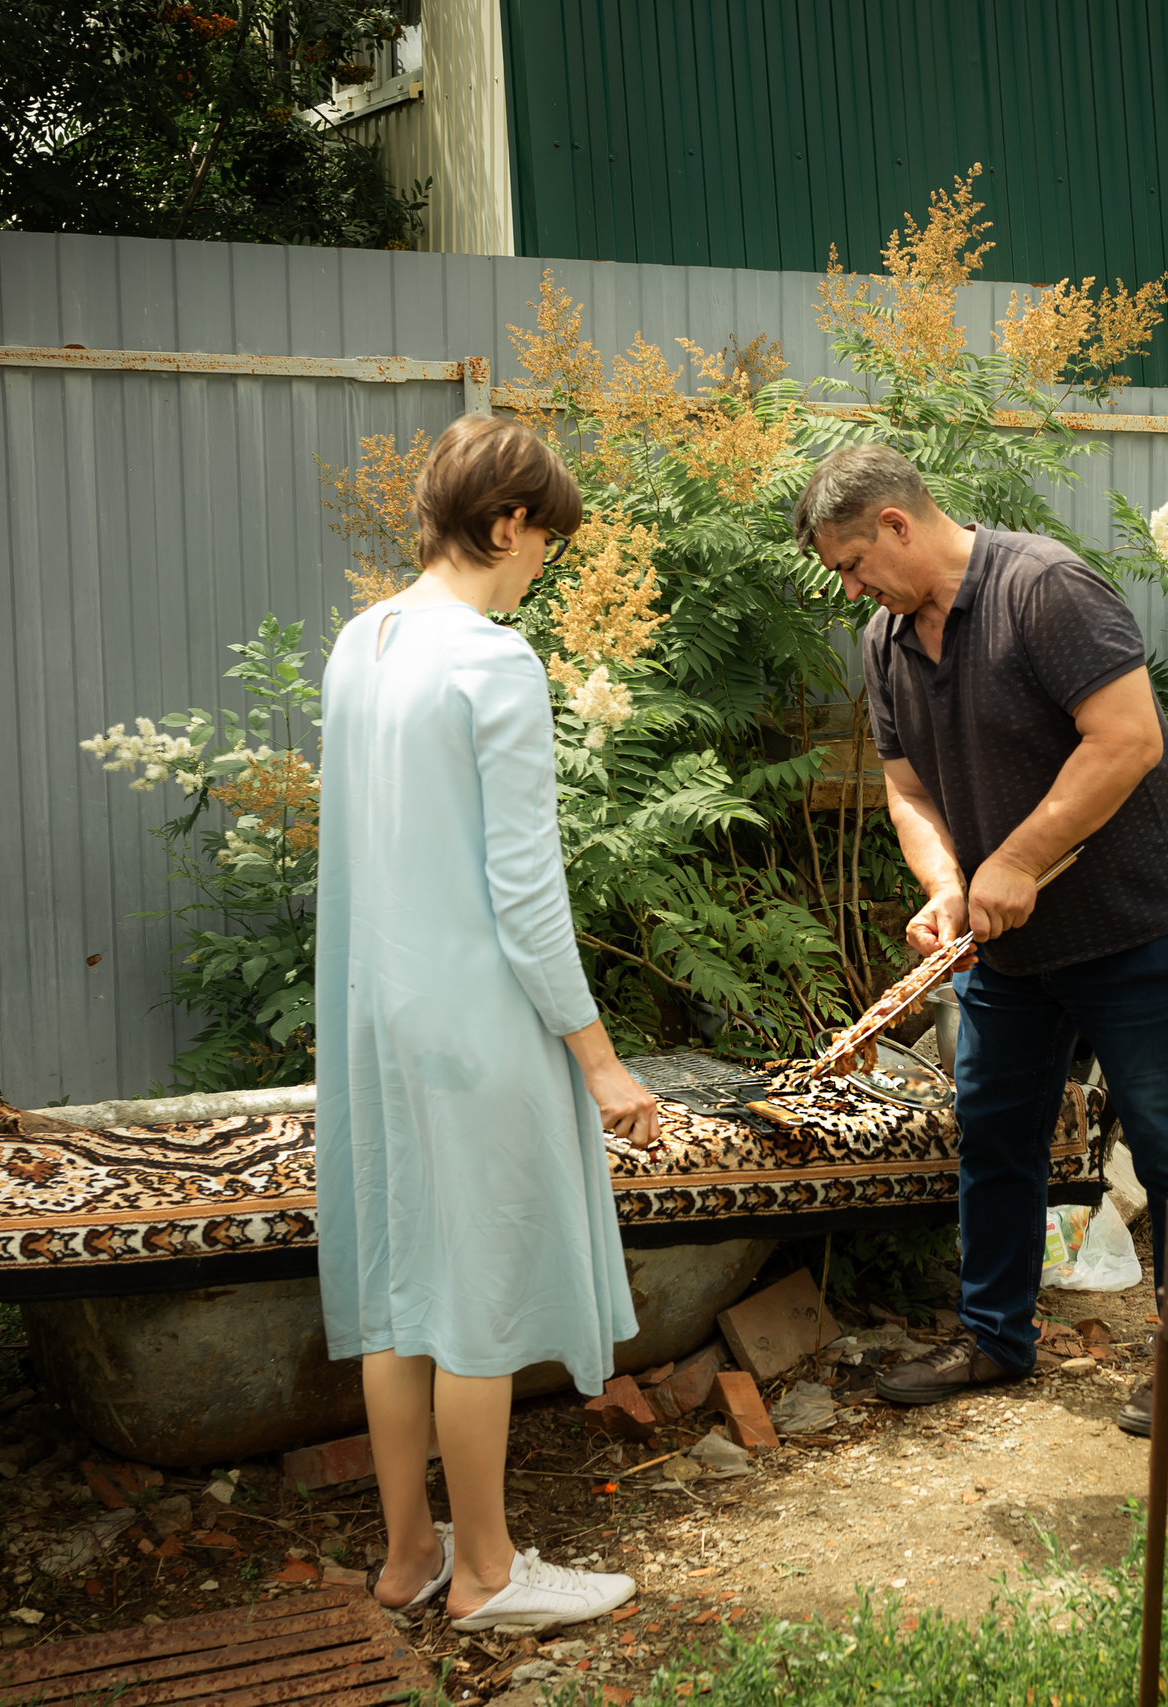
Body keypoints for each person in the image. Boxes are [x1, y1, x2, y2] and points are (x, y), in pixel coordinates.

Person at [790, 444, 1168, 1437]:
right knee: (995, 1135)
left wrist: (1020, 858)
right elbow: (905, 789)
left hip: (1136, 919)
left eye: (854, 564)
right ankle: (993, 1337)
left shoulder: (1043, 589)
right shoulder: (888, 638)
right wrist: (948, 883)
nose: (852, 587)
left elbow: (1126, 738)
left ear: (898, 524)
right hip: (1008, 946)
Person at [315, 415, 658, 1630]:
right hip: (474, 1023)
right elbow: (526, 891)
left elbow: (356, 863)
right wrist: (601, 1059)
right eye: (544, 549)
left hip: (379, 1016)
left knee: (402, 1288)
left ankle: (409, 1557)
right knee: (474, 1298)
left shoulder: (362, 640)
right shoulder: (490, 659)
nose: (543, 572)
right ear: (506, 524)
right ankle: (491, 1576)